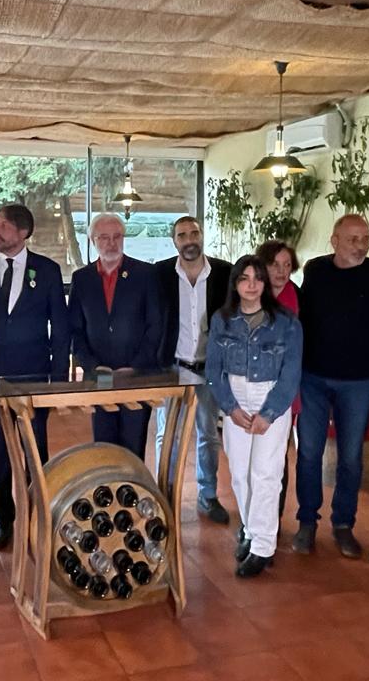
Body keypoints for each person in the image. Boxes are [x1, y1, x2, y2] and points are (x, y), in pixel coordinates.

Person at [293, 215, 369, 558]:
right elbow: (301, 316)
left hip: (358, 382)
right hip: (313, 378)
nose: (361, 245)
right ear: (334, 240)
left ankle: (343, 525)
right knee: (308, 453)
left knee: (351, 457)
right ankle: (307, 522)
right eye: (352, 239)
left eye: (365, 237)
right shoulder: (316, 271)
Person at [0, 204, 69, 550]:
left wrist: (58, 378)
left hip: (35, 376)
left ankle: (38, 514)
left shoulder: (47, 270)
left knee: (34, 449)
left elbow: (60, 326)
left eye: (4, 226)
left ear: (23, 232)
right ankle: (4, 519)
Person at [206, 255, 302, 577]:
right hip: (235, 399)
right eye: (244, 278)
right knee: (239, 474)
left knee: (266, 474)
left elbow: (291, 373)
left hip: (270, 397)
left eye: (257, 278)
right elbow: (213, 369)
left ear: (264, 283)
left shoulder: (286, 322)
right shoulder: (223, 319)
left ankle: (263, 546)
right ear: (235, 283)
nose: (251, 284)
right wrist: (230, 408)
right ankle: (249, 530)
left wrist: (270, 413)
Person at [154, 216, 231, 524]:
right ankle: (165, 493)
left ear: (202, 235)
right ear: (174, 241)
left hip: (209, 368)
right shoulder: (159, 274)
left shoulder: (225, 273)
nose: (189, 239)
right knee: (167, 434)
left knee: (208, 434)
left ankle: (208, 494)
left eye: (194, 233)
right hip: (172, 367)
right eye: (182, 235)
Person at [68, 213, 163, 459]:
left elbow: (155, 325)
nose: (111, 243)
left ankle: (131, 493)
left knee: (133, 446)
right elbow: (75, 330)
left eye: (117, 237)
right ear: (92, 241)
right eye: (104, 238)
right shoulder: (82, 278)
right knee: (104, 446)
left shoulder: (145, 274)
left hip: (136, 375)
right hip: (99, 376)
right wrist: (92, 365)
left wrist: (135, 366)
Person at [255, 240, 302, 528]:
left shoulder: (295, 295)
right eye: (275, 265)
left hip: (282, 390)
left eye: (287, 265)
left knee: (276, 461)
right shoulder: (248, 293)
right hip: (249, 389)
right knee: (251, 463)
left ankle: (271, 525)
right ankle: (252, 523)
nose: (282, 271)